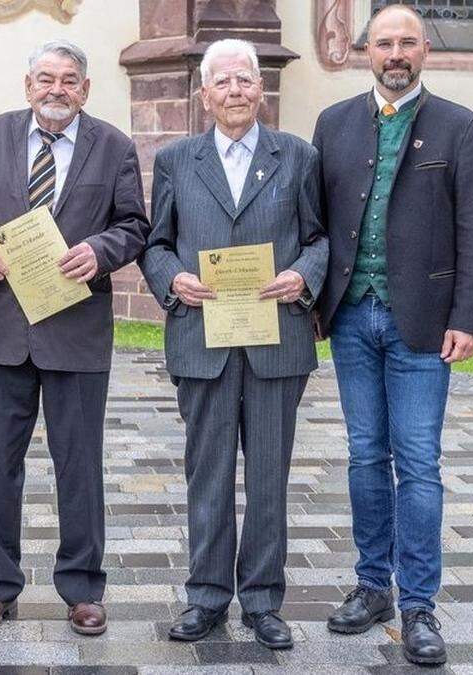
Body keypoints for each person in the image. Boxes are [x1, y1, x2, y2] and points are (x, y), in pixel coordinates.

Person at [0, 39, 149, 637]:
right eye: (45, 79)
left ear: (85, 89)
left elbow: (134, 224)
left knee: (79, 465)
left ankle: (83, 588)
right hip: (6, 328)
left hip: (77, 329)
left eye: (69, 80)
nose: (56, 89)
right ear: (27, 84)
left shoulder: (112, 146)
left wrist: (101, 251)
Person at [313, 4, 473, 666]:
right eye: (385, 42)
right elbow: (315, 220)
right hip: (352, 317)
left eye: (407, 43)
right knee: (366, 454)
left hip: (422, 320)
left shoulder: (459, 127)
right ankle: (372, 587)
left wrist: (468, 315)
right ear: (367, 50)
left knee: (417, 458)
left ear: (425, 51)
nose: (396, 53)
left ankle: (418, 602)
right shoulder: (333, 124)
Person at [138, 38, 327, 651]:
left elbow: (320, 238)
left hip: (276, 341)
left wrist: (305, 274)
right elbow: (155, 244)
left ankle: (265, 601)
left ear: (260, 88)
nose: (235, 91)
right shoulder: (175, 160)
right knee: (209, 475)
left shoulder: (298, 156)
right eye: (222, 83)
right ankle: (207, 597)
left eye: (245, 80)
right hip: (204, 338)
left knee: (270, 476)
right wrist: (173, 281)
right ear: (205, 95)